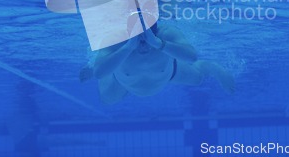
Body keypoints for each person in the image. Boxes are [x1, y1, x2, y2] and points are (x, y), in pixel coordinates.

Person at [80, 12, 235, 104]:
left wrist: (158, 43)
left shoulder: (166, 34)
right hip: (121, 80)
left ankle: (213, 68)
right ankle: (92, 64)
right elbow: (100, 72)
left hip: (169, 72)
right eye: (139, 40)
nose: (144, 46)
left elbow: (192, 57)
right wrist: (128, 47)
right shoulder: (116, 39)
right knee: (107, 100)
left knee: (198, 79)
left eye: (147, 39)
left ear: (156, 32)